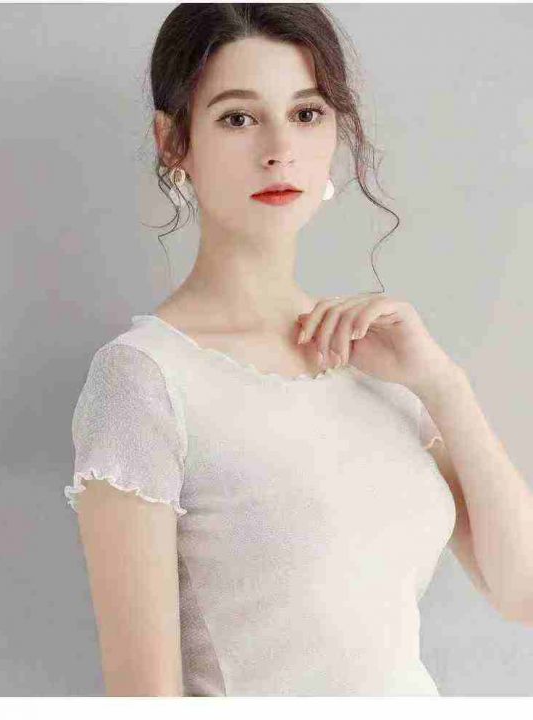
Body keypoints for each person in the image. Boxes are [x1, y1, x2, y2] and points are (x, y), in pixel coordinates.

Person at [64, 4, 467, 697]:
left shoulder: (379, 355)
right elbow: (142, 698)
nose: (280, 148)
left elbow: (522, 592)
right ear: (173, 142)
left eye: (306, 113)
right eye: (238, 118)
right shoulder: (144, 379)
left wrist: (444, 384)